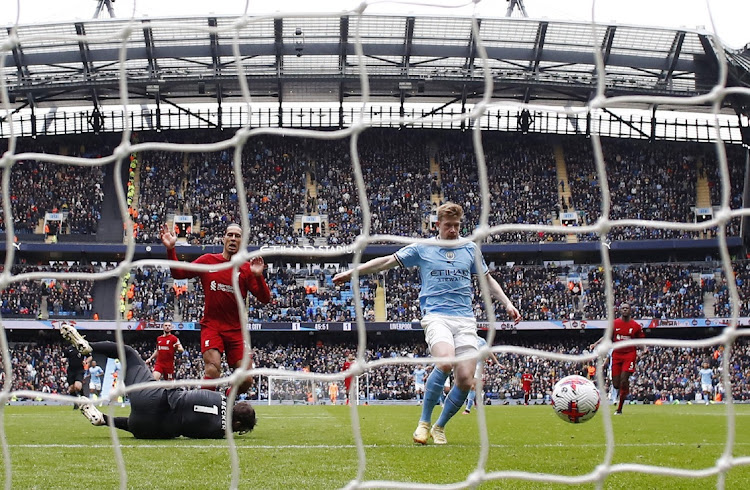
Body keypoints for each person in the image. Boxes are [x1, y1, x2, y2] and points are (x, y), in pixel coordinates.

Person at [333, 202, 521, 445]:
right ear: (438, 225)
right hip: (436, 316)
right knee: (444, 362)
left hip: (465, 320)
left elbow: (487, 280)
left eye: (456, 226)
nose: (453, 230)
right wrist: (352, 273)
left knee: (465, 379)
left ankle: (439, 426)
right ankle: (423, 423)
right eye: (448, 226)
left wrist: (507, 303)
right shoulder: (424, 248)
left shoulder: (469, 249)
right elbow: (386, 261)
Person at [59, 323, 256, 439]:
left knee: (128, 353)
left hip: (155, 398)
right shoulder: (220, 433)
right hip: (152, 427)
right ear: (237, 423)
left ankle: (88, 346)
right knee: (143, 423)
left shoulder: (220, 396)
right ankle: (104, 420)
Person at [161, 223, 271, 393]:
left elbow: (265, 299)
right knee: (212, 369)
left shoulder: (247, 269)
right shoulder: (208, 261)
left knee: (246, 379)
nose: (233, 238)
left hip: (236, 331)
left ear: (242, 242)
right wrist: (171, 250)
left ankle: (225, 400)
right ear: (223, 238)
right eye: (230, 235)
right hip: (212, 326)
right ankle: (205, 409)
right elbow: (179, 274)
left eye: (237, 236)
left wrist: (258, 276)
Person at [590, 302, 645, 415]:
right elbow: (607, 337)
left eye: (627, 308)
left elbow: (641, 340)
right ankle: (623, 391)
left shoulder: (635, 326)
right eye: (623, 308)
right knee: (616, 384)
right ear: (620, 310)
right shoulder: (615, 324)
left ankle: (619, 408)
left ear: (630, 310)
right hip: (617, 355)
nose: (625, 310)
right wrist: (596, 344)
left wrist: (644, 349)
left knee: (624, 380)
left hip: (629, 355)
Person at [463, 336, 500, 414]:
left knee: (472, 386)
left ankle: (468, 409)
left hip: (478, 365)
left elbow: (488, 352)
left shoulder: (481, 340)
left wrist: (496, 362)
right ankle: (477, 402)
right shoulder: (466, 339)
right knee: (470, 387)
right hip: (468, 364)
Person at [63, 342, 91, 408]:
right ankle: (76, 403)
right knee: (71, 389)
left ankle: (83, 398)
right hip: (71, 371)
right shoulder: (69, 349)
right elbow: (64, 357)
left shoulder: (82, 348)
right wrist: (63, 359)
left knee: (77, 386)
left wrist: (86, 361)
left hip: (79, 370)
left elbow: (90, 357)